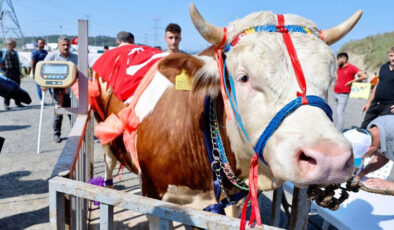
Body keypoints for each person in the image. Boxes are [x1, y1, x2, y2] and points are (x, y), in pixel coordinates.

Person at [344, 115, 394, 191]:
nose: (363, 159)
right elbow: (383, 155)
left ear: (371, 148)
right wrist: (363, 172)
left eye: (362, 157)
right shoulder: (374, 129)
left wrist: (388, 185)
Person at [44, 36, 78, 143]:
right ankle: (57, 133)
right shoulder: (52, 56)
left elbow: (82, 72)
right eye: (63, 45)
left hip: (73, 91)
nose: (66, 47)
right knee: (58, 112)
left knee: (73, 112)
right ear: (58, 45)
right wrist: (43, 84)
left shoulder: (76, 57)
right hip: (57, 91)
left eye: (68, 45)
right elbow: (43, 70)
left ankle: (76, 134)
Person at [360, 47, 394, 128]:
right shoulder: (383, 67)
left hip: (389, 106)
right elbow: (377, 85)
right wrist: (368, 103)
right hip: (376, 103)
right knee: (365, 126)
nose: (393, 58)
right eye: (391, 56)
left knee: (384, 129)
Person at [333, 52, 367, 131]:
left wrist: (352, 81)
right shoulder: (339, 68)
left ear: (344, 59)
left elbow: (364, 76)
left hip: (343, 94)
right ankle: (335, 128)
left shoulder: (351, 67)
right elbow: (338, 78)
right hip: (335, 93)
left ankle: (339, 131)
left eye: (338, 59)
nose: (337, 61)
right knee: (336, 112)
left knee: (339, 112)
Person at [0, 38, 23, 110]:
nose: (15, 45)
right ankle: (6, 104)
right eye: (14, 44)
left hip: (16, 72)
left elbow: (18, 63)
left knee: (17, 88)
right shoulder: (3, 51)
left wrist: (21, 72)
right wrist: (2, 68)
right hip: (7, 72)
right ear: (9, 44)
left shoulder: (15, 52)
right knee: (7, 88)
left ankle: (18, 102)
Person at [31, 37, 52, 104]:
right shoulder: (35, 52)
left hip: (46, 71)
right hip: (38, 72)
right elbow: (32, 63)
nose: (42, 45)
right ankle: (41, 100)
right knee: (39, 86)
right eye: (40, 43)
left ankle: (54, 98)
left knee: (50, 85)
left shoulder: (45, 52)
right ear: (37, 44)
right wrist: (33, 72)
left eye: (43, 43)